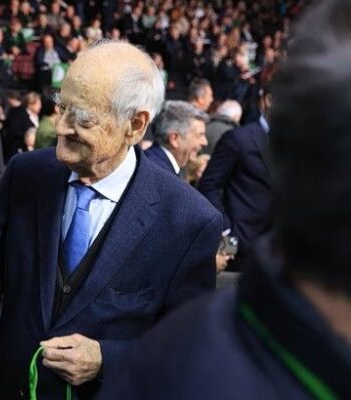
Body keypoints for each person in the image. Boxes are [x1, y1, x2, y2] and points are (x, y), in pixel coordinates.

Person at [0, 41, 221, 399]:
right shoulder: (25, 174)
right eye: (62, 107)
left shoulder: (188, 221)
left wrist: (106, 359)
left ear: (135, 125)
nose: (62, 127)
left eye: (83, 118)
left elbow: (186, 347)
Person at [101, 2, 351, 398]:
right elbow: (212, 186)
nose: (202, 141)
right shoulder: (175, 364)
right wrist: (226, 230)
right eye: (197, 135)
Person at [198, 88, 272, 272]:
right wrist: (226, 234)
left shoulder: (296, 143)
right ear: (268, 100)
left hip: (277, 252)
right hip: (237, 247)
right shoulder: (238, 138)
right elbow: (208, 185)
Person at [145, 100, 209, 177]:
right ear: (174, 138)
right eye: (200, 135)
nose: (205, 142)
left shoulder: (153, 163)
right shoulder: (158, 174)